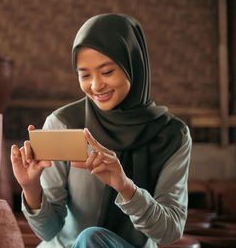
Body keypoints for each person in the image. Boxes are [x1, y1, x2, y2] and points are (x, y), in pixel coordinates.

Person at [10, 13, 191, 248]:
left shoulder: (171, 135)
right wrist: (30, 188)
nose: (95, 85)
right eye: (85, 75)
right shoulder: (64, 123)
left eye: (107, 72)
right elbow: (48, 231)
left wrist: (125, 187)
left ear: (133, 64)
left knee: (91, 239)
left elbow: (169, 232)